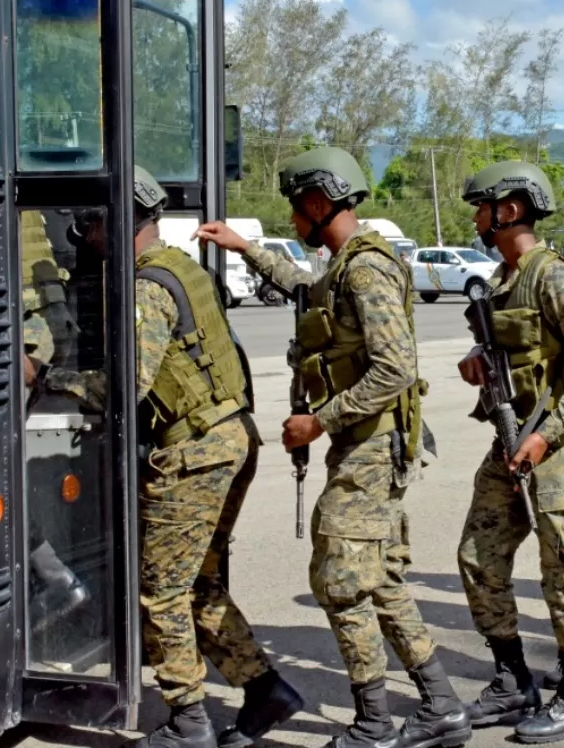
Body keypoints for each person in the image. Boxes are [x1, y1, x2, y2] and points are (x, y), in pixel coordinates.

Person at [196, 148, 469, 748]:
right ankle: (442, 705)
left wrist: (319, 421)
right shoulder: (344, 265)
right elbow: (306, 288)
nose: (293, 221)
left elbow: (394, 369)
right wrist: (246, 252)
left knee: (340, 581)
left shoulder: (365, 269)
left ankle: (375, 723)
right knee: (378, 580)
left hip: (372, 447)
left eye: (296, 209)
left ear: (319, 202)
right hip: (368, 444)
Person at [26, 167, 303, 748]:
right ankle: (264, 690)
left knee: (160, 591)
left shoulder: (146, 287)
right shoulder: (182, 269)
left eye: (91, 223)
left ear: (115, 219)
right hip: (229, 437)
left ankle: (188, 721)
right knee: (197, 584)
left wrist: (51, 376)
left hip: (197, 453)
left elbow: (128, 383)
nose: (84, 236)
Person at [454, 162, 564, 744]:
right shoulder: (503, 277)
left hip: (558, 451)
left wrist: (549, 433)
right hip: (509, 442)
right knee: (478, 556)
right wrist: (477, 357)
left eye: (481, 207)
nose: (475, 217)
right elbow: (511, 348)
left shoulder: (555, 278)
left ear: (510, 211)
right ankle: (512, 679)